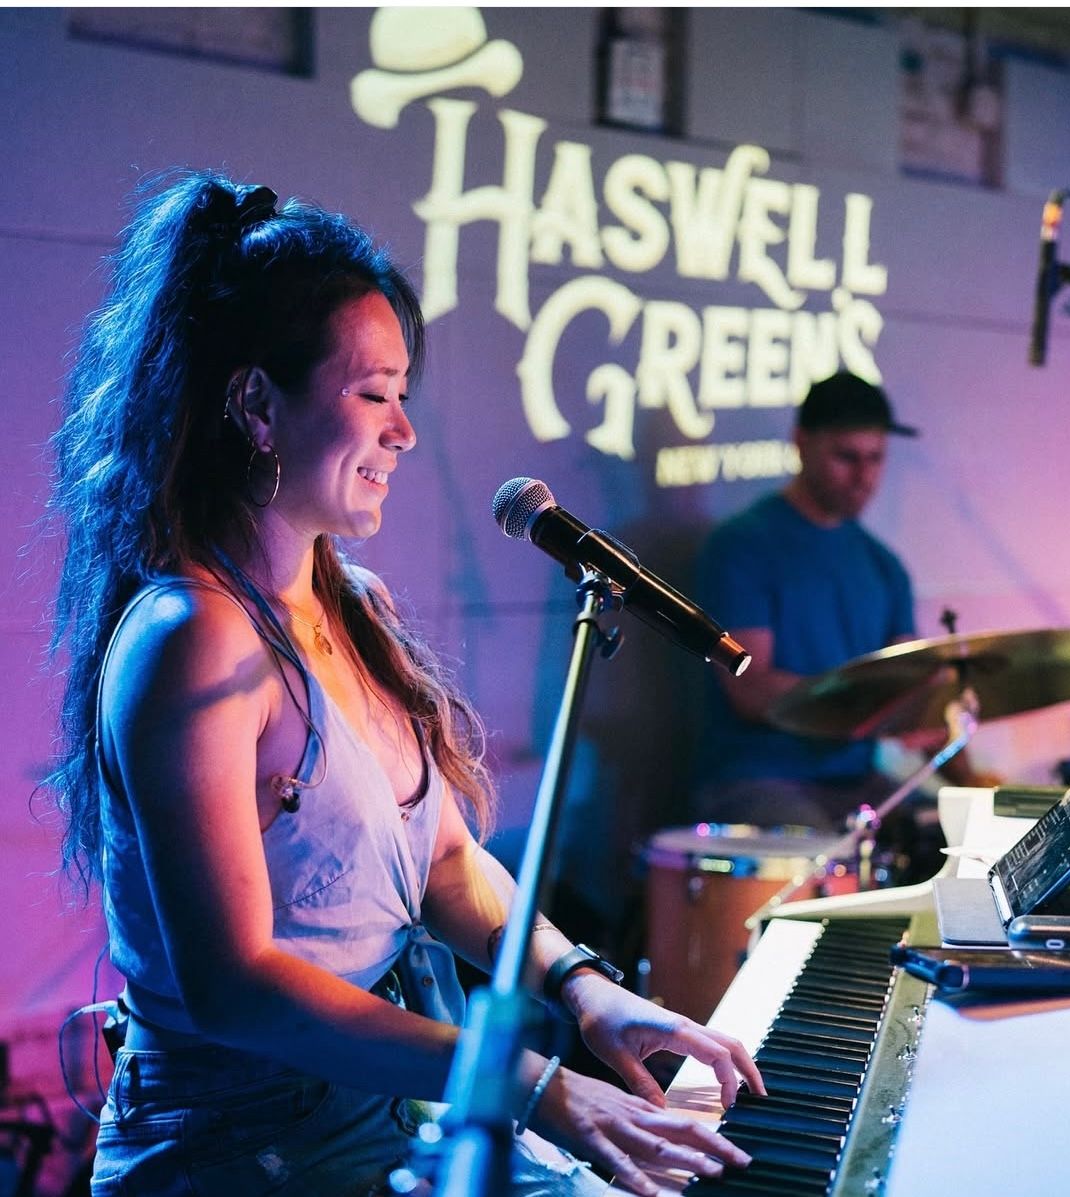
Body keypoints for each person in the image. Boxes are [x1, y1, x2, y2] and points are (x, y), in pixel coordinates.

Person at [45, 171, 761, 1197]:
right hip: (243, 1145)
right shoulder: (190, 635)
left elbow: (448, 866)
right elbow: (236, 986)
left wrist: (585, 987)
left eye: (403, 398)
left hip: (386, 1098)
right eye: (373, 395)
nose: (404, 432)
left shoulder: (357, 603)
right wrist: (532, 1085)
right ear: (255, 404)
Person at [693, 372, 994, 861]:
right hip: (758, 779)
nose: (865, 477)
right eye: (846, 458)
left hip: (857, 783)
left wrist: (976, 790)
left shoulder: (883, 564)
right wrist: (868, 709)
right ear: (801, 443)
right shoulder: (742, 547)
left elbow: (913, 689)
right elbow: (749, 688)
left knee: (963, 847)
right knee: (827, 859)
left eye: (876, 459)